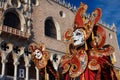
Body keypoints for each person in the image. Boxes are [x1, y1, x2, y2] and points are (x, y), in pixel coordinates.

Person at [59, 2, 118, 80]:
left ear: (85, 36)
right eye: (74, 35)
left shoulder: (96, 57)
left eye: (78, 34)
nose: (75, 38)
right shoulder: (70, 59)